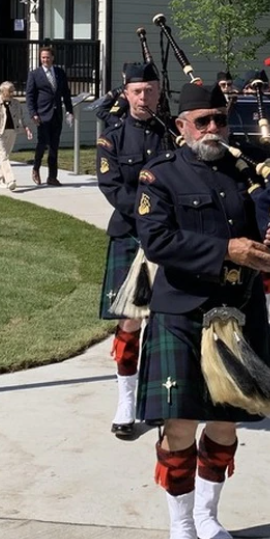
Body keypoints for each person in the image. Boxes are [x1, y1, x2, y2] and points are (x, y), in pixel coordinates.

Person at [135, 82, 270, 539]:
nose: (213, 129)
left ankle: (207, 514)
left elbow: (266, 229)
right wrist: (227, 250)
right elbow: (157, 241)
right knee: (179, 426)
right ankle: (179, 529)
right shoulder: (159, 177)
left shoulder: (246, 173)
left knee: (226, 424)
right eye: (202, 121)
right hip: (182, 310)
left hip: (238, 310)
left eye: (219, 119)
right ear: (182, 127)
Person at [96, 62, 170, 439]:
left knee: (165, 321)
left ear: (159, 92)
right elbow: (111, 187)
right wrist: (150, 215)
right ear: (125, 93)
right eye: (137, 91)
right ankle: (125, 402)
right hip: (130, 233)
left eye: (150, 91)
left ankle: (154, 400)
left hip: (169, 239)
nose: (144, 98)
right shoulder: (112, 138)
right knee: (130, 321)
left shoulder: (171, 134)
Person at [25, 45, 74, 186]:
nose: (45, 60)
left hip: (56, 114)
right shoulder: (34, 74)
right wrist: (33, 113)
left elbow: (66, 93)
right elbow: (30, 96)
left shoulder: (59, 72)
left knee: (54, 146)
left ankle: (52, 177)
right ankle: (36, 168)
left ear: (53, 57)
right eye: (43, 57)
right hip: (42, 114)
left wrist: (69, 111)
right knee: (42, 143)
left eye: (47, 57)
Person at [0, 81, 32, 190]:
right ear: (2, 91)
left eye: (13, 90)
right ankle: (10, 180)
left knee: (5, 156)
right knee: (4, 155)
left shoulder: (16, 103)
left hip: (12, 131)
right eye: (9, 91)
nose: (12, 93)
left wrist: (26, 128)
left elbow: (22, 117)